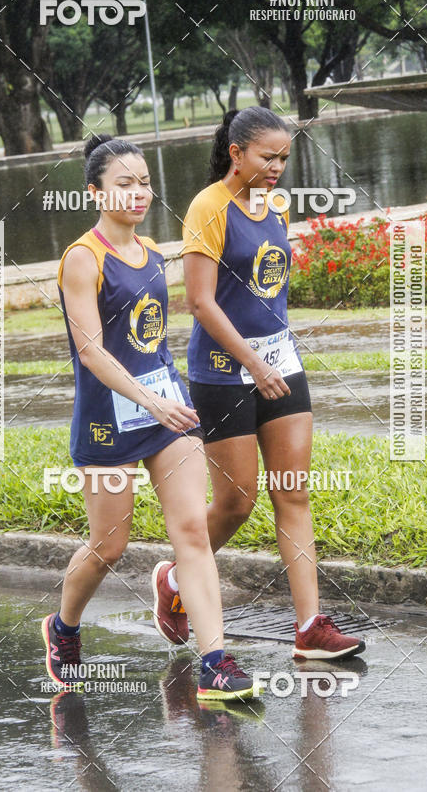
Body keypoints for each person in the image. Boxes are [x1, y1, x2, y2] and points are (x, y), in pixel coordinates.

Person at [42, 134, 254, 701]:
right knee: (109, 545)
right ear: (95, 193)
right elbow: (90, 350)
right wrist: (147, 399)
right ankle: (63, 629)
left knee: (191, 532)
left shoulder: (155, 253)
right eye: (123, 184)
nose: (138, 193)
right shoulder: (82, 259)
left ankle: (214, 660)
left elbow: (152, 339)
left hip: (166, 412)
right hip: (107, 421)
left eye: (143, 182)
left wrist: (167, 398)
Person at [153, 107, 365, 660]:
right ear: (236, 153)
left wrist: (273, 357)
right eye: (268, 157)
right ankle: (175, 580)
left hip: (281, 363)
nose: (277, 168)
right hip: (223, 373)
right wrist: (251, 361)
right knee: (238, 501)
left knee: (293, 489)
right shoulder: (207, 207)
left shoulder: (277, 205)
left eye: (284, 158)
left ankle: (310, 627)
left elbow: (269, 288)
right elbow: (199, 301)